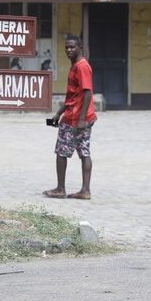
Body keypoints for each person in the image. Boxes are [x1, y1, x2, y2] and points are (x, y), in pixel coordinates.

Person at [43, 34, 97, 200]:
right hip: (79, 116)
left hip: (77, 119)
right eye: (67, 47)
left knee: (62, 152)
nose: (69, 50)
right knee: (84, 152)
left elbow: (87, 93)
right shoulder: (76, 66)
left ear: (80, 47)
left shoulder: (81, 66)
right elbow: (72, 95)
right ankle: (85, 191)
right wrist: (59, 113)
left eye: (72, 47)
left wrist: (81, 119)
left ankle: (60, 189)